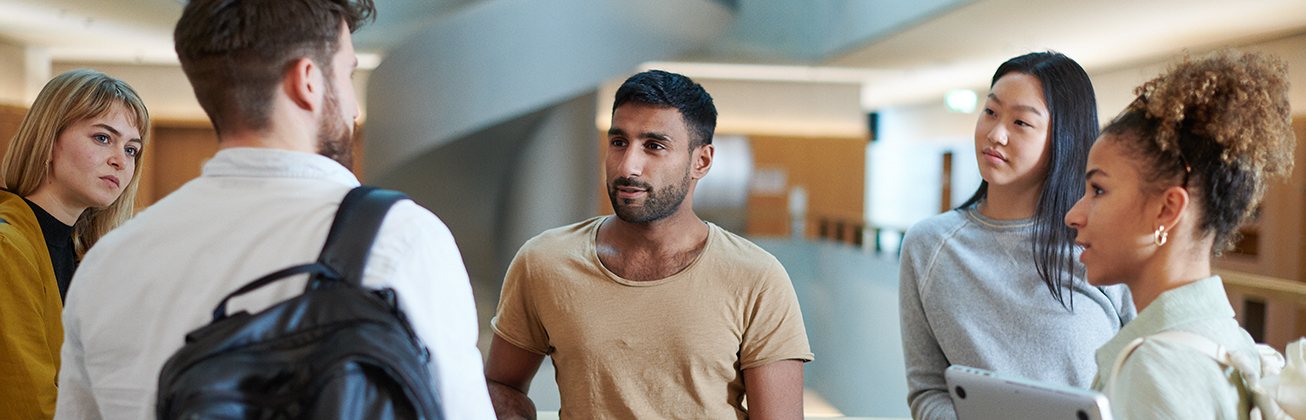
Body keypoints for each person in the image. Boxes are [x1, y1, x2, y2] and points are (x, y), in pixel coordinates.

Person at [54, 0, 494, 419]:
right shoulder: (402, 237)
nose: (356, 107)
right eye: (347, 74)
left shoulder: (106, 264)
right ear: (307, 81)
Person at [484, 70, 813, 419]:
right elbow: (500, 386)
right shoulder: (543, 262)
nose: (628, 166)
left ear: (700, 162)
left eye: (654, 146)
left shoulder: (757, 278)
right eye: (618, 142)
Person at [898, 51, 1136, 420]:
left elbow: (1146, 375)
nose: (996, 134)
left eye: (1021, 122)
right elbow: (929, 389)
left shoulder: (1099, 243)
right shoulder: (928, 246)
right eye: (990, 112)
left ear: (1064, 139)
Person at [1066, 50, 1293, 420]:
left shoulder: (1156, 368)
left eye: (1099, 191)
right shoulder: (1237, 345)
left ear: (1167, 210)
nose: (1073, 215)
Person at [0, 68, 148, 420]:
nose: (120, 160)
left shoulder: (84, 256)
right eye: (102, 138)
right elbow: (28, 405)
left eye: (131, 149)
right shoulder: (7, 247)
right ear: (49, 140)